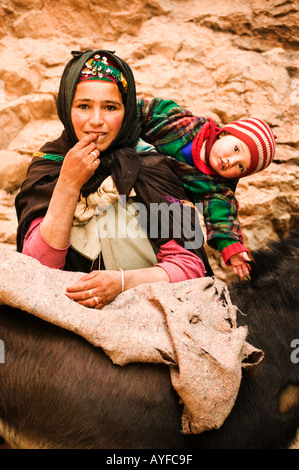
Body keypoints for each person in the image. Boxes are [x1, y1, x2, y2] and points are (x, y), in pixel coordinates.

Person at [15, 49, 213, 310]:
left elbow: (191, 267)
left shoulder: (153, 168)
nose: (96, 121)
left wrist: (123, 282)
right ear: (66, 107)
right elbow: (37, 270)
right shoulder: (48, 166)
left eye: (110, 108)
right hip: (62, 326)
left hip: (145, 319)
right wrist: (69, 183)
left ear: (127, 110)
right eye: (83, 106)